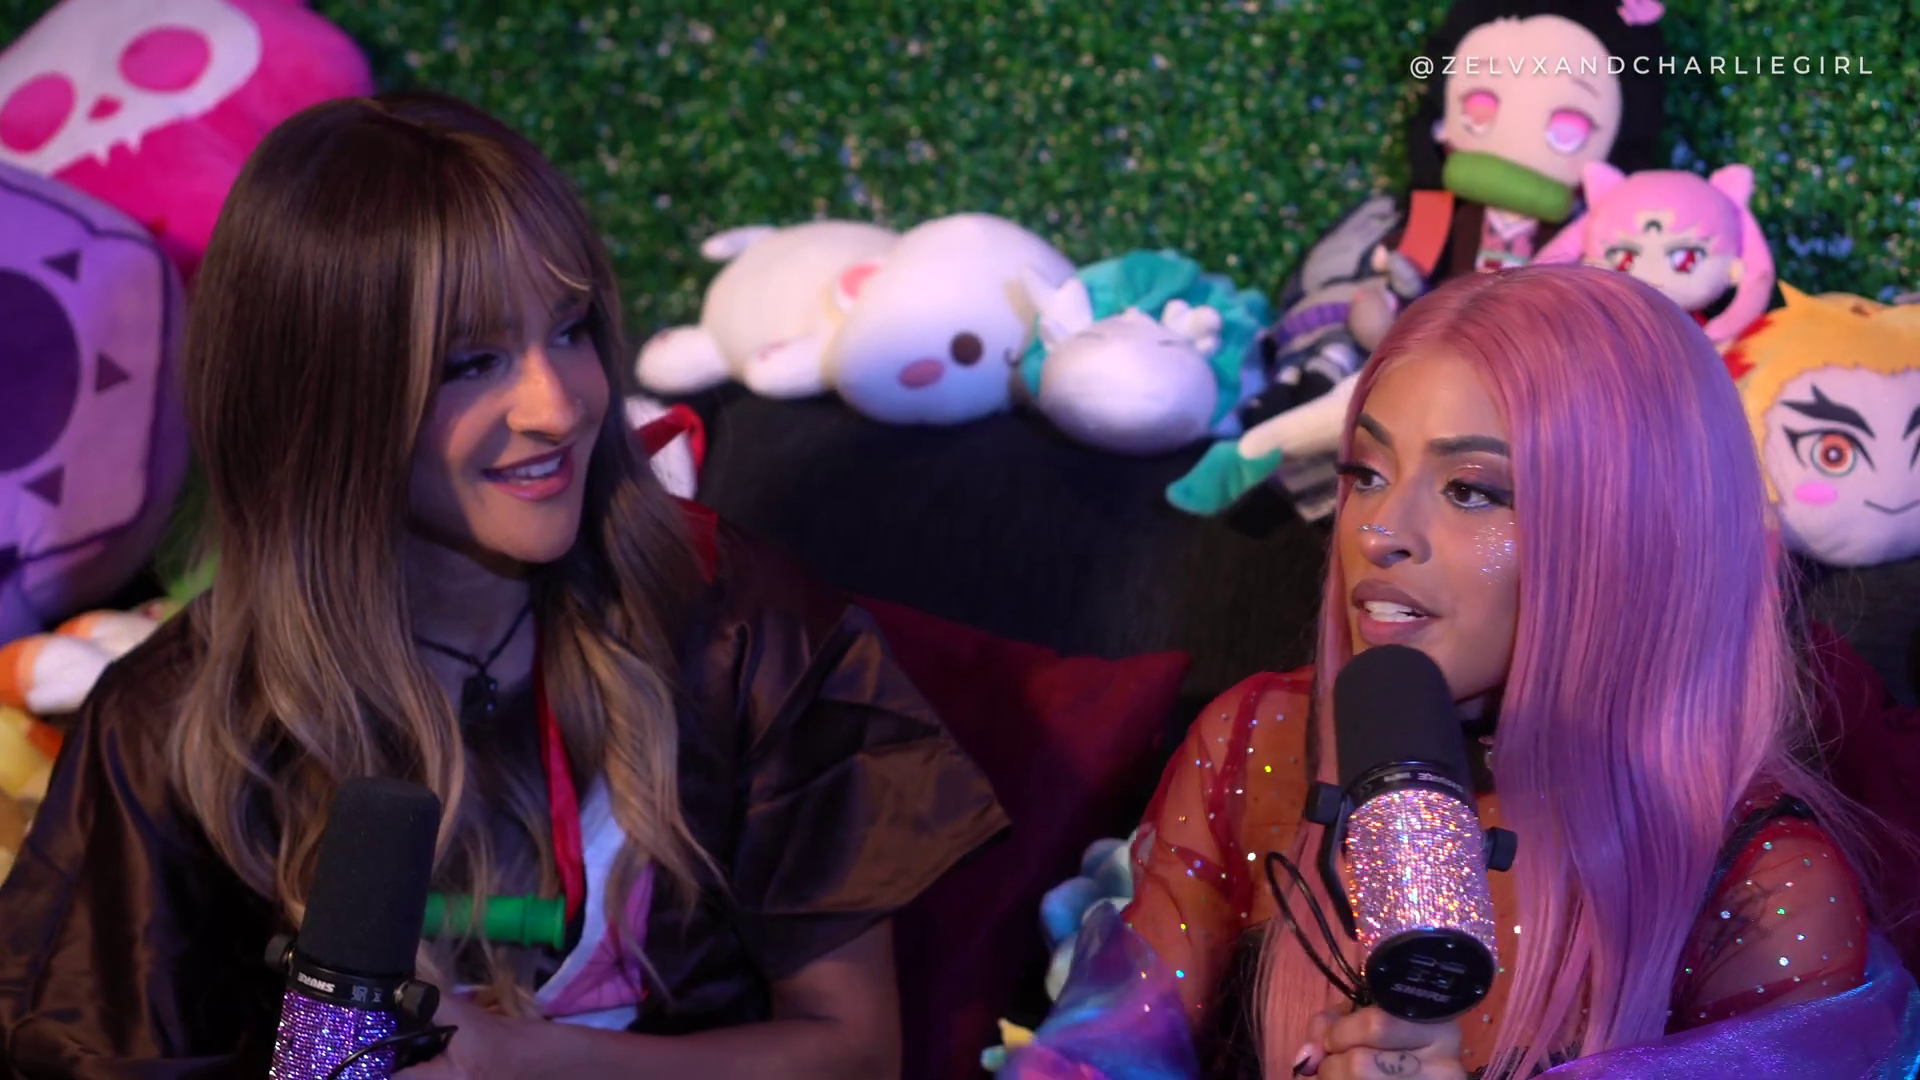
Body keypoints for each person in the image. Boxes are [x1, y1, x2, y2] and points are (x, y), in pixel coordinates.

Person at [0, 91, 1009, 1079]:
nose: (557, 406)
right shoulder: (166, 724)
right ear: (321, 398)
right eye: (472, 361)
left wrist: (519, 1059)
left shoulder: (738, 627)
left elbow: (853, 1051)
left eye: (570, 328)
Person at [1001, 265, 1920, 1079]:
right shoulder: (1255, 745)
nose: (1377, 532)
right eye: (1367, 473)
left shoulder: (1767, 889)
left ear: (1634, 539)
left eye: (1471, 489)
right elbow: (1096, 1058)